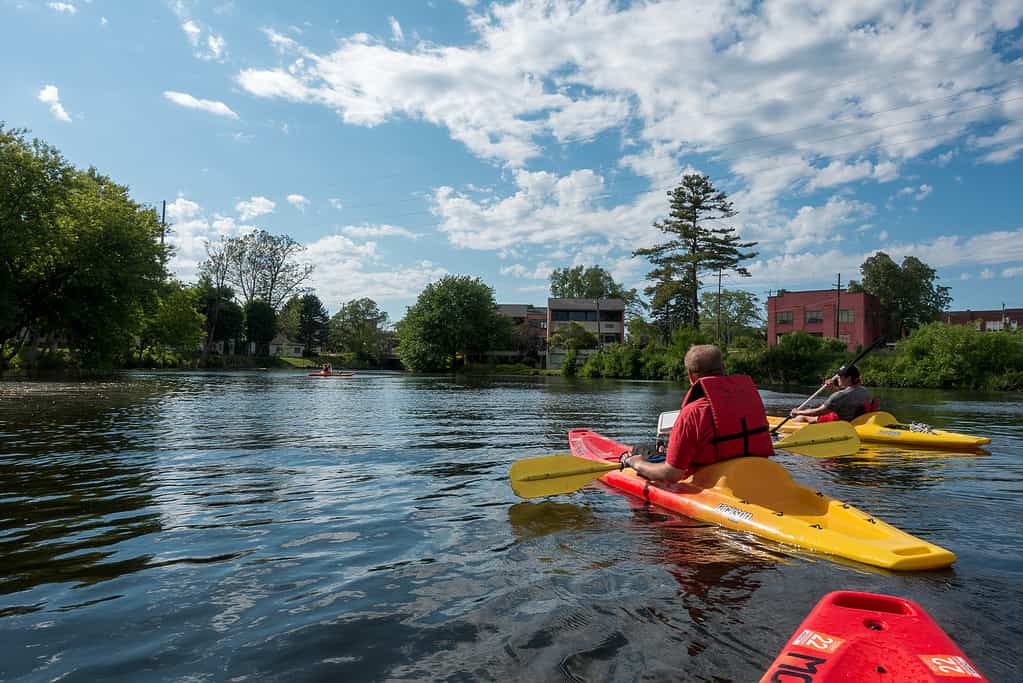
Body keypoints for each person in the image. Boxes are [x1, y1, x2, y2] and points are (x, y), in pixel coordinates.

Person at [621, 344, 774, 483]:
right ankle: (662, 450)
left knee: (639, 450)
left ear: (691, 376)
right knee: (658, 449)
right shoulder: (749, 399)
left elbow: (671, 474)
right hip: (752, 471)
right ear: (723, 367)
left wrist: (637, 462)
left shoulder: (692, 413)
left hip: (709, 478)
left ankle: (632, 456)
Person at [789, 364, 874, 423]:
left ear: (849, 378)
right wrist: (833, 389)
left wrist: (798, 412)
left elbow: (818, 412)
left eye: (840, 376)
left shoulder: (839, 396)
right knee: (806, 412)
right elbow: (846, 397)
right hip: (854, 421)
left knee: (802, 417)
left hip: (838, 424)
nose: (838, 378)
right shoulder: (864, 391)